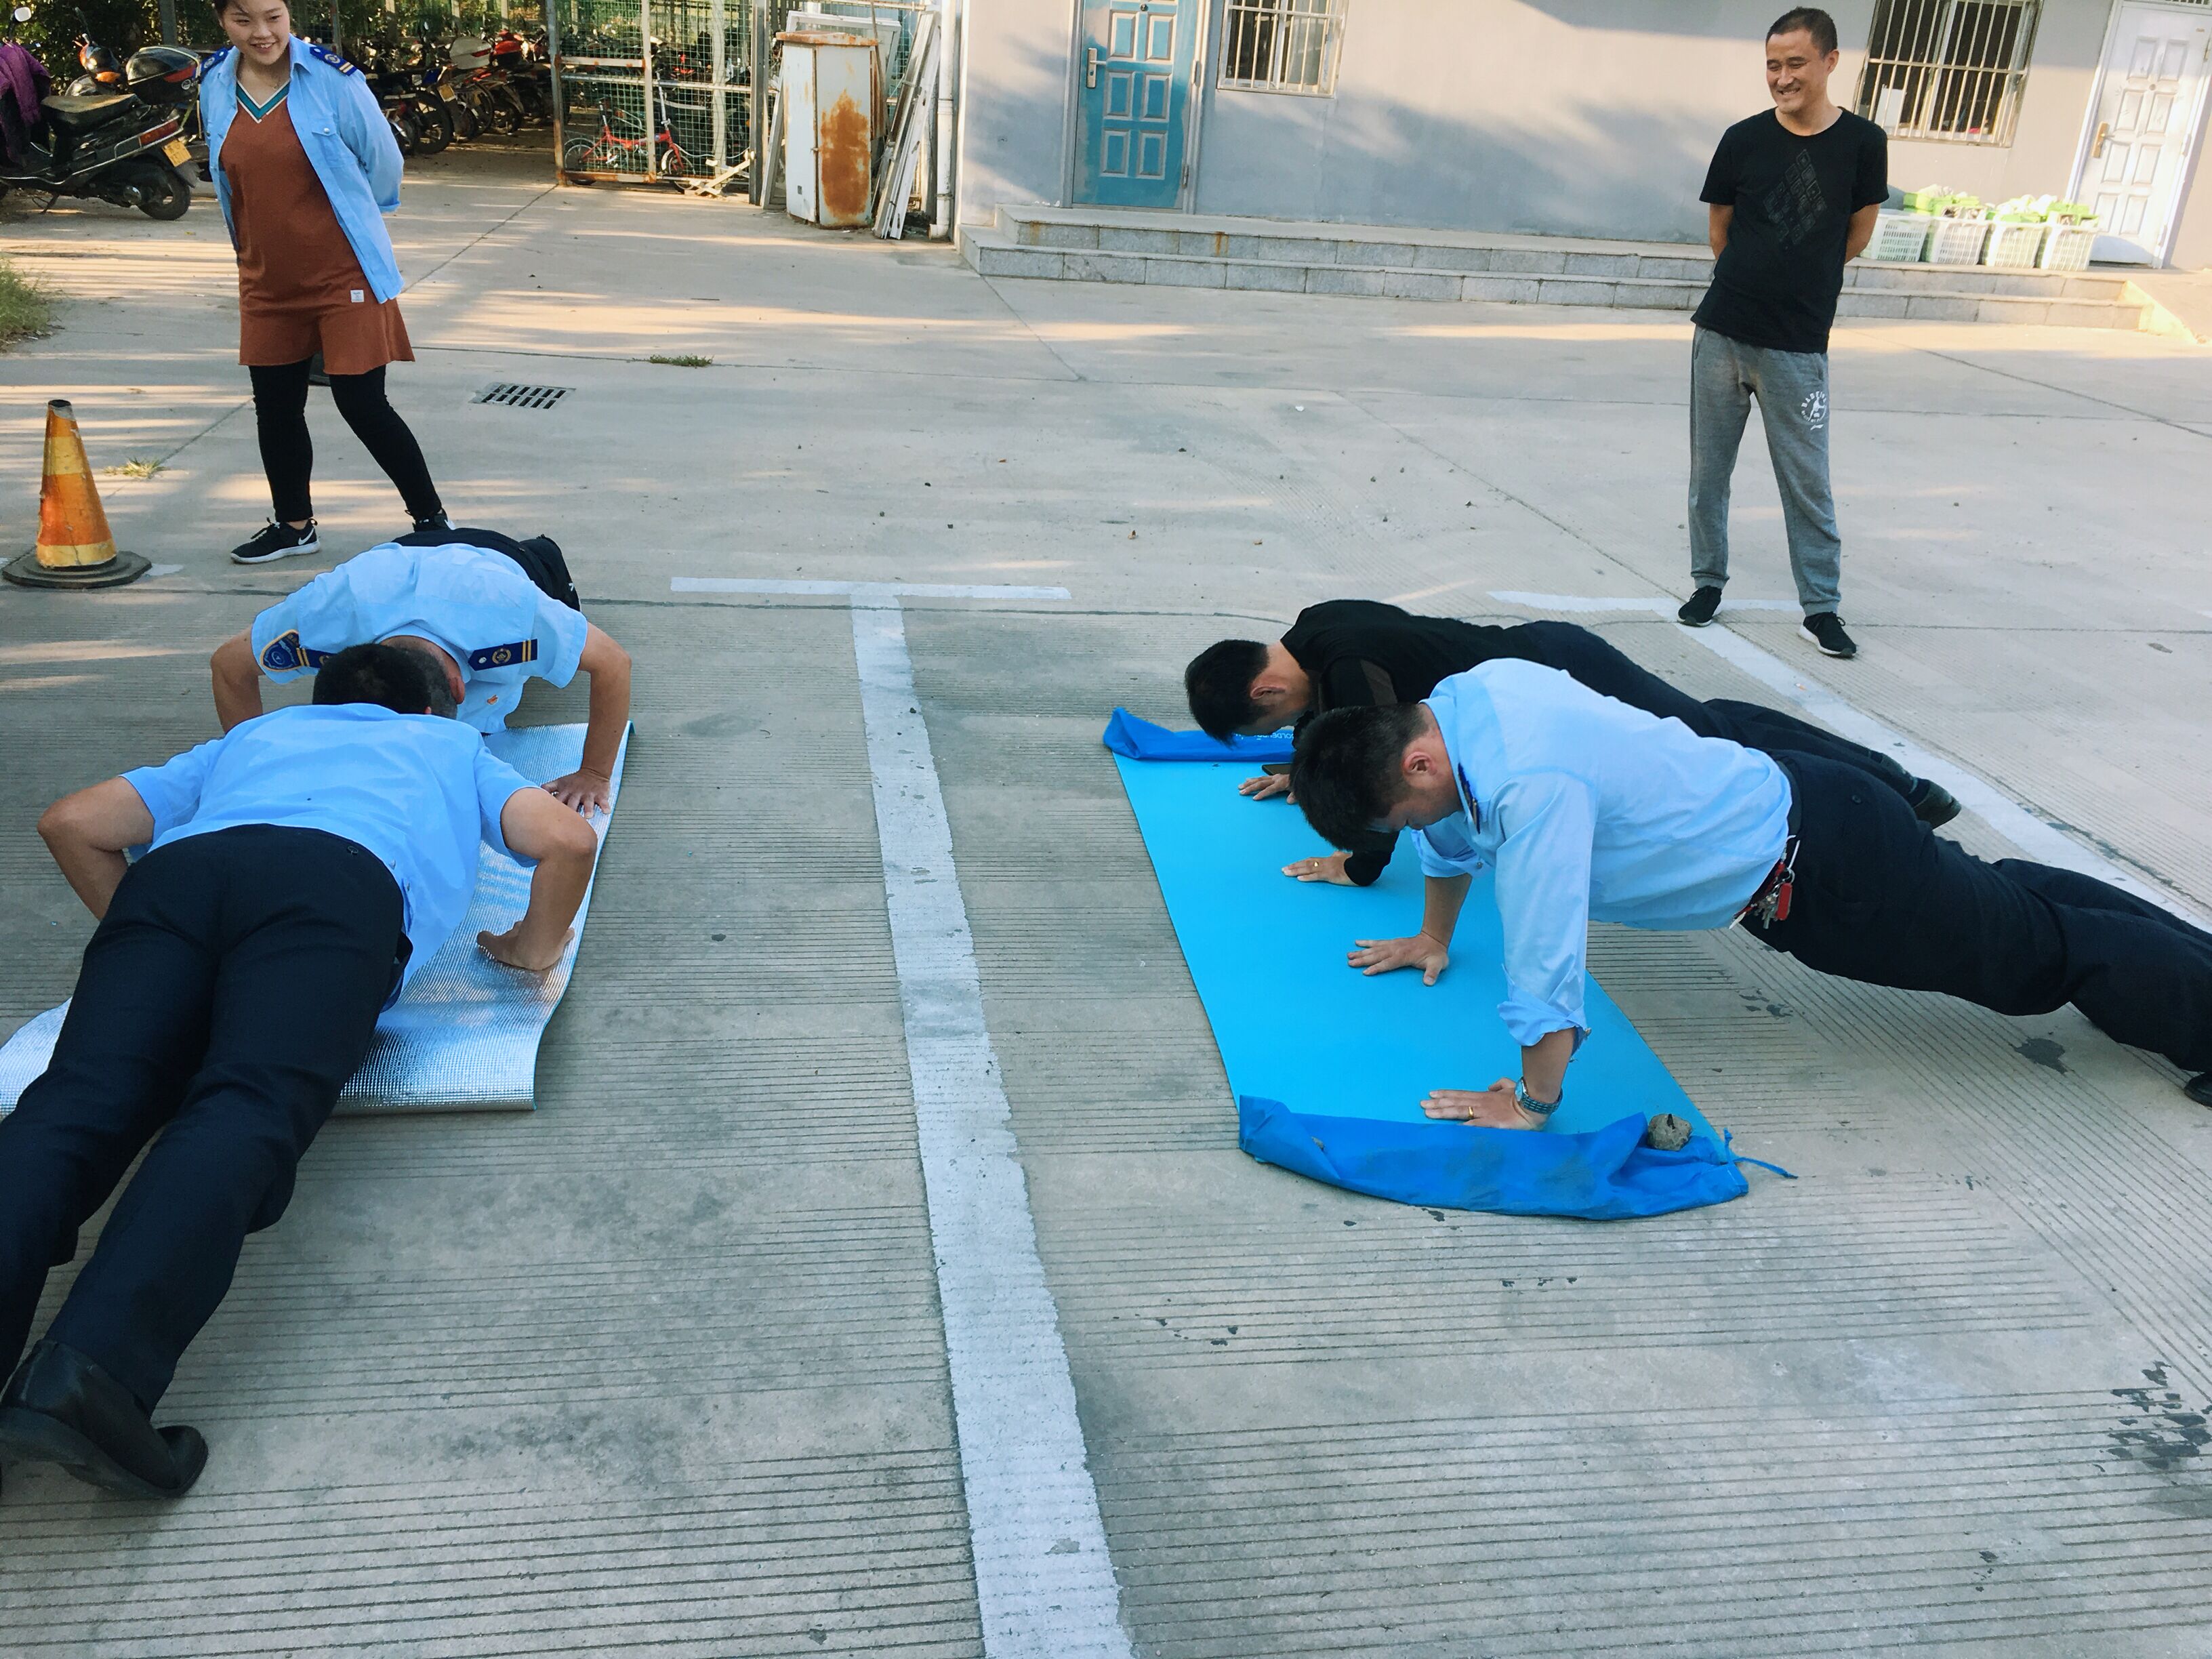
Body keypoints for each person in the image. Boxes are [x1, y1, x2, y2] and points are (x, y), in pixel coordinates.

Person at [0, 644, 600, 1500]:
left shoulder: (255, 737)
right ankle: (88, 1376)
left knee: (72, 1106)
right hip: (333, 890)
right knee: (243, 1106)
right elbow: (567, 839)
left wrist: (166, 960)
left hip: (173, 886)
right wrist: (529, 949)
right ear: (430, 708)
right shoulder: (449, 744)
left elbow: (72, 822)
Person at [1286, 664, 2212, 1133]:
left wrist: (1531, 1105)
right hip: (1819, 813)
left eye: (1401, 814)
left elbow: (1544, 962)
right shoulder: (1464, 701)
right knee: (2010, 901)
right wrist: (1432, 934)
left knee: (2033, 959)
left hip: (1835, 876)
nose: (1415, 832)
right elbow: (1449, 833)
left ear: (1418, 762)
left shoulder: (1533, 789)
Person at [1185, 598, 1956, 885]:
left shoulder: (1348, 672)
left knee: (1721, 735)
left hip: (1566, 676)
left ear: (1265, 691)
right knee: (1715, 725)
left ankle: (1897, 787)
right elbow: (1341, 719)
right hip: (1543, 658)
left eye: (1273, 726)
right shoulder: (1316, 626)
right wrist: (1304, 767)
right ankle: (1890, 783)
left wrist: (1357, 865)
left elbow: (1380, 768)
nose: (1284, 731)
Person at [201, 0, 451, 566]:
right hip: (265, 277)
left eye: (273, 16)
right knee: (275, 407)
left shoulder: (333, 80)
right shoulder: (215, 82)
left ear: (289, 13)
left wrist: (359, 217)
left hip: (344, 273)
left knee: (362, 403)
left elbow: (384, 163)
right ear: (222, 20)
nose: (262, 33)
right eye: (243, 20)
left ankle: (431, 521)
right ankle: (293, 526)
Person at [1677, 7, 1886, 660]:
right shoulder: (1742, 139)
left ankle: (1821, 608)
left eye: (1796, 63)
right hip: (1722, 333)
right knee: (1709, 473)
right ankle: (1707, 583)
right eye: (1773, 65)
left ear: (1830, 62)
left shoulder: (1864, 142)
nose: (1782, 77)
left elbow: (1858, 232)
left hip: (1798, 345)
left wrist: (1802, 284)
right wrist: (1751, 282)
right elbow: (1720, 230)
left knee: (1807, 482)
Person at [208, 529, 632, 812]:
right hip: (399, 557)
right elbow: (228, 665)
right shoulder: (327, 612)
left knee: (555, 589)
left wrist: (594, 774)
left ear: (457, 687)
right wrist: (253, 763)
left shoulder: (517, 612)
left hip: (502, 559)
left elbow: (613, 663)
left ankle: (545, 551)